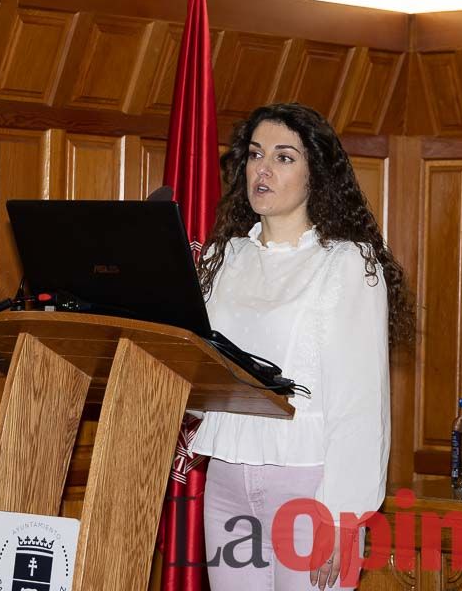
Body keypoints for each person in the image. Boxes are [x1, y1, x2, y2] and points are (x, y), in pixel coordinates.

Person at [190, 103, 414, 590]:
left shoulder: (348, 264)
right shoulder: (222, 257)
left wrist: (343, 515)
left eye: (284, 157)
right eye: (255, 154)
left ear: (317, 175)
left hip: (309, 487)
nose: (263, 169)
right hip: (227, 481)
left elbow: (360, 401)